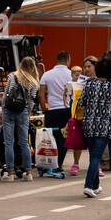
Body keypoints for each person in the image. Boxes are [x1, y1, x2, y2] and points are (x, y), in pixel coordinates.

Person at [78, 56, 111, 198]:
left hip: (88, 123)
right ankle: (88, 186)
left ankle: (95, 185)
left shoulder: (89, 83)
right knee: (97, 156)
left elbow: (81, 102)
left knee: (93, 155)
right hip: (104, 124)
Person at [0, 56, 40, 181]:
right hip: (23, 112)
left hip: (9, 110)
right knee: (24, 143)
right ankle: (28, 172)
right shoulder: (33, 82)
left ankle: (10, 173)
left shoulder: (13, 76)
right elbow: (32, 101)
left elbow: (7, 93)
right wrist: (27, 112)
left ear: (21, 64)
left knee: (9, 143)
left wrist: (3, 107)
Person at [38, 50, 73, 178]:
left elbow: (41, 94)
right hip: (66, 110)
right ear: (68, 60)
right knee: (64, 138)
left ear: (57, 59)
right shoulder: (71, 75)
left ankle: (49, 164)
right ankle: (58, 165)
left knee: (50, 139)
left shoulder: (47, 75)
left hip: (51, 111)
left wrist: (44, 109)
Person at [66, 55, 98, 176]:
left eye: (89, 66)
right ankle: (75, 163)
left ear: (95, 67)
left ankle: (95, 165)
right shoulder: (80, 81)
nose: (86, 69)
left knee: (93, 142)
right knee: (77, 140)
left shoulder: (100, 81)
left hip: (94, 116)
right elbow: (71, 97)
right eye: (85, 67)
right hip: (80, 115)